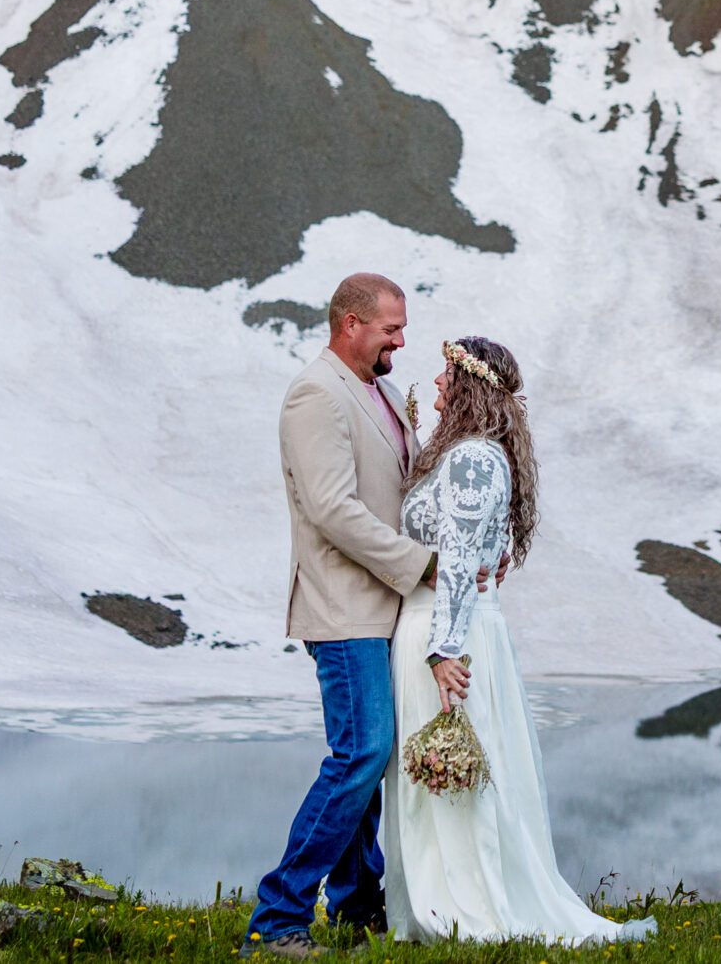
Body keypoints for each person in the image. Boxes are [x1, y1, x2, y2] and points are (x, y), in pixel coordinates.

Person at [381, 335, 656, 945]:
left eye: (448, 375)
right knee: (445, 771)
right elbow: (472, 541)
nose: (439, 383)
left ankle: (464, 910)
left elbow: (455, 559)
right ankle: (440, 902)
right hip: (449, 624)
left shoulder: (474, 459)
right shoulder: (474, 455)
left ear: (470, 386)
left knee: (452, 770)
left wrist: (443, 649)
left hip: (444, 631)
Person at [243, 273, 453, 958]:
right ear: (350, 324)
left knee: (374, 753)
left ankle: (360, 909)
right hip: (343, 607)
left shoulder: (383, 391)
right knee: (360, 752)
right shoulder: (315, 394)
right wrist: (421, 565)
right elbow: (334, 509)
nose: (401, 338)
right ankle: (277, 918)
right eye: (391, 327)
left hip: (382, 607)